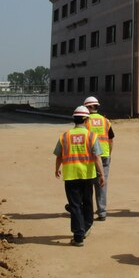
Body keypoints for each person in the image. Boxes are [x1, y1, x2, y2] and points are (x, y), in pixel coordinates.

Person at [54, 105, 104, 246]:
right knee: (87, 202)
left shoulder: (64, 136)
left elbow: (59, 156)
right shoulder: (92, 136)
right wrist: (102, 174)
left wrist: (57, 169)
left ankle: (78, 236)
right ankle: (86, 226)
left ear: (74, 119)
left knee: (75, 205)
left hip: (71, 176)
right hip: (88, 175)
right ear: (86, 120)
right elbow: (97, 157)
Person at [83, 95, 115, 221]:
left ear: (89, 107)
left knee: (88, 184)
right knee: (102, 184)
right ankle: (102, 212)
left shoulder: (86, 121)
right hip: (105, 155)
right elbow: (111, 139)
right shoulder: (105, 121)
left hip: (91, 156)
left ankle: (87, 211)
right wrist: (109, 153)